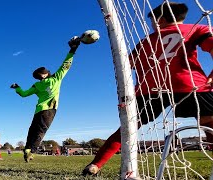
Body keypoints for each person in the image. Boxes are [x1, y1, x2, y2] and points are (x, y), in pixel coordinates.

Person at [82, 2, 213, 175]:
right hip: (189, 84)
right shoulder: (196, 28)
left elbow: (127, 64)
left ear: (161, 19)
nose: (152, 26)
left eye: (152, 22)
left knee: (127, 129)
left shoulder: (146, 41)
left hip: (148, 91)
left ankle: (95, 164)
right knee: (208, 122)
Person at [10, 36, 81, 162]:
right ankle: (31, 151)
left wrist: (17, 87)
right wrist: (73, 50)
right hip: (49, 109)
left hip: (38, 109)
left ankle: (27, 149)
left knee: (32, 131)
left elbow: (24, 94)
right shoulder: (55, 79)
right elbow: (66, 66)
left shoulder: (37, 85)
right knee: (40, 131)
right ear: (44, 74)